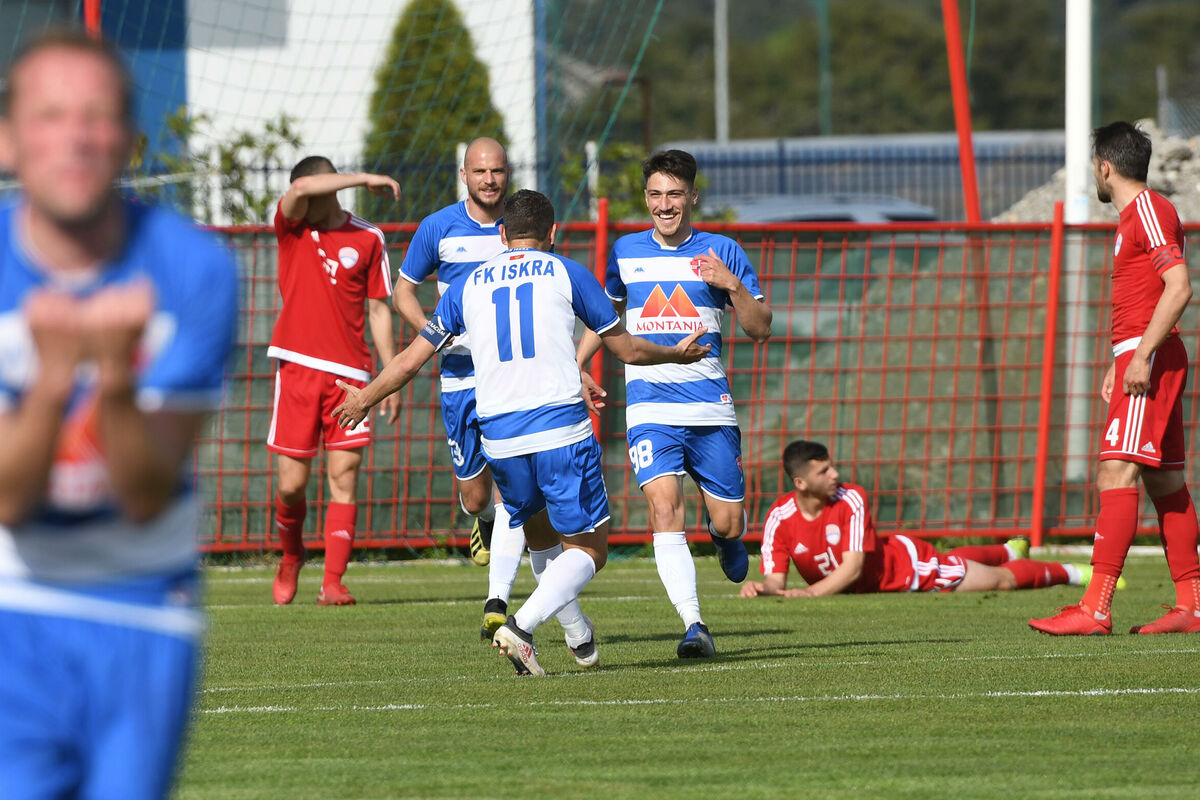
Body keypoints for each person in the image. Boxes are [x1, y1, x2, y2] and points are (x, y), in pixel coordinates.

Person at [0, 30, 238, 799]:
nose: (74, 137)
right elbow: (9, 498)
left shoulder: (195, 269)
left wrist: (111, 380)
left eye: (96, 116)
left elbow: (143, 494)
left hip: (143, 604)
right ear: (8, 140)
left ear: (129, 139)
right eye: (49, 115)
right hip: (12, 603)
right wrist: (52, 377)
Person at [334, 189, 710, 675]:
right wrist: (675, 353)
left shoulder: (467, 285)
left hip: (499, 437)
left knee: (541, 537)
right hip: (559, 429)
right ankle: (523, 626)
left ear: (501, 234)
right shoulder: (567, 272)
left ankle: (579, 637)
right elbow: (629, 350)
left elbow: (410, 360)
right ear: (553, 232)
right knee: (591, 549)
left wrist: (364, 398)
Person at [576, 149, 772, 659]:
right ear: (647, 198)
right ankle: (694, 625)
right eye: (656, 195)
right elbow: (607, 315)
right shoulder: (625, 251)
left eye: (675, 195)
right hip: (649, 408)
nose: (665, 205)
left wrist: (732, 286)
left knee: (728, 523)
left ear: (693, 197)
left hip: (709, 407)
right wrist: (577, 366)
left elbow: (760, 328)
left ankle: (725, 537)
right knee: (664, 509)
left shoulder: (722, 251)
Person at [1030, 122, 1200, 635]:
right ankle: (1192, 606)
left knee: (1115, 473)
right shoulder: (1138, 215)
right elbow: (1149, 296)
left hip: (1151, 359)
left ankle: (1096, 608)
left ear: (1104, 167)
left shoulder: (1147, 210)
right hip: (1146, 354)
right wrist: (1122, 357)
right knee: (1165, 481)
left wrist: (1140, 355)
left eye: (1093, 167)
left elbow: (1179, 286)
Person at [392, 137, 527, 636]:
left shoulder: (523, 225)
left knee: (514, 486)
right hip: (458, 378)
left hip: (511, 378)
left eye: (497, 171)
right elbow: (403, 291)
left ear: (507, 172)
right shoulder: (438, 227)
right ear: (464, 175)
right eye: (480, 171)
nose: (489, 180)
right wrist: (434, 332)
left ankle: (499, 600)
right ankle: (483, 521)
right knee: (474, 497)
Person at [267, 157, 400, 606]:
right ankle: (291, 555)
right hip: (297, 368)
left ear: (333, 191)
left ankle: (333, 582)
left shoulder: (369, 237)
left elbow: (379, 309)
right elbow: (299, 188)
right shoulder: (291, 227)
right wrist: (366, 177)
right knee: (291, 485)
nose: (305, 199)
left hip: (351, 377)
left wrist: (388, 375)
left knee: (344, 476)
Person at [740, 441, 1100, 599]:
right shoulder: (779, 517)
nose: (835, 474)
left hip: (909, 570)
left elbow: (852, 569)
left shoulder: (851, 497)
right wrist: (763, 589)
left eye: (832, 466)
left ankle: (1072, 573)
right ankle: (1008, 550)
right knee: (954, 559)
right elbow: (776, 581)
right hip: (898, 565)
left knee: (1000, 582)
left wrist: (810, 593)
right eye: (823, 471)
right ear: (800, 483)